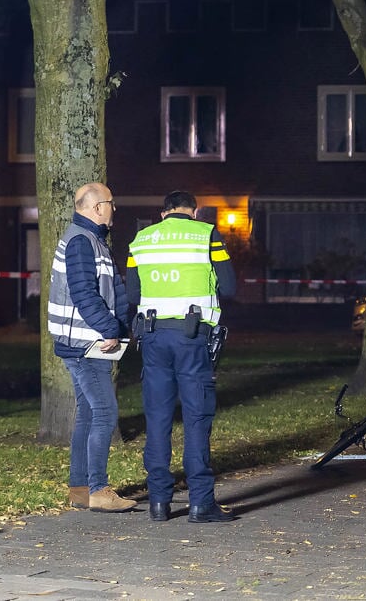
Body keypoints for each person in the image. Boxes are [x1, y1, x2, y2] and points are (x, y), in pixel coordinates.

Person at [127, 190, 237, 523]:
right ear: (194, 210)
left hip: (152, 338)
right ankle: (201, 503)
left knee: (157, 419)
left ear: (163, 213)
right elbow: (229, 287)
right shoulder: (206, 234)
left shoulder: (141, 241)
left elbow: (133, 293)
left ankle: (159, 503)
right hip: (192, 339)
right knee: (196, 418)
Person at [47, 182, 136, 513]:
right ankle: (98, 489)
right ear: (98, 207)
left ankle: (80, 490)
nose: (114, 209)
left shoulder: (88, 240)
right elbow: (85, 293)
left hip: (81, 341)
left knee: (87, 414)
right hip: (87, 343)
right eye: (111, 203)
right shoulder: (82, 242)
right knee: (105, 412)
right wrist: (110, 328)